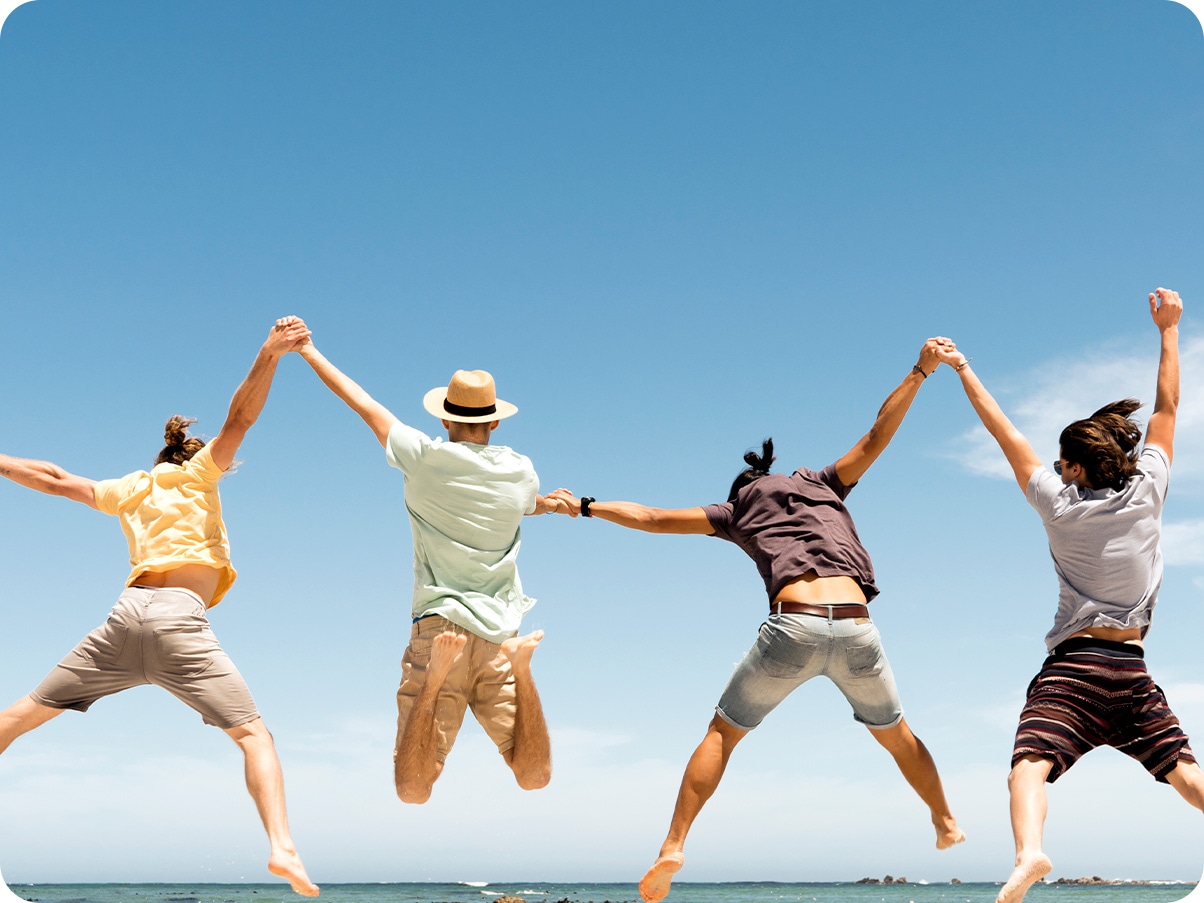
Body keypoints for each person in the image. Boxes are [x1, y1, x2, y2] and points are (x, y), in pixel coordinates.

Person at [548, 338, 964, 903]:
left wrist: (585, 505)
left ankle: (674, 843)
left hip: (793, 625)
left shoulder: (736, 509)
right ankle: (944, 820)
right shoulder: (821, 482)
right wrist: (921, 370)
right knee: (897, 735)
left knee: (723, 733)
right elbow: (876, 436)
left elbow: (649, 517)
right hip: (857, 624)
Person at [0, 318, 318, 897]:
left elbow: (51, 480)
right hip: (179, 621)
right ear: (198, 458)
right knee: (253, 736)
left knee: (16, 719)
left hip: (125, 618)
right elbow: (240, 420)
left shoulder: (132, 487)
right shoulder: (199, 473)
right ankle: (283, 847)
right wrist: (270, 352)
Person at [935, 288, 1202, 903]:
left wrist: (964, 369)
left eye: (1061, 464)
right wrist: (1169, 329)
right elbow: (1168, 404)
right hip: (1132, 668)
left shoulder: (1058, 506)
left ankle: (1030, 852)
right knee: (1181, 769)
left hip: (1075, 667)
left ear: (1077, 470)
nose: (1055, 471)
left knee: (1030, 764)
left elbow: (1003, 432)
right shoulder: (1150, 488)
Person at [295, 337, 566, 804]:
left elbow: (362, 403)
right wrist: (553, 506)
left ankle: (438, 678)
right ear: (495, 420)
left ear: (444, 416)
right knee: (533, 777)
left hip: (440, 633)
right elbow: (525, 505)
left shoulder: (422, 457)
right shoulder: (521, 471)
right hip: (502, 635)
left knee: (413, 790)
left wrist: (307, 350)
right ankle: (524, 670)